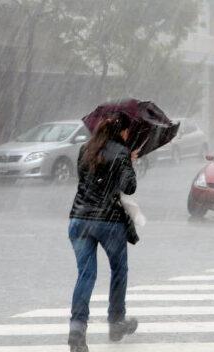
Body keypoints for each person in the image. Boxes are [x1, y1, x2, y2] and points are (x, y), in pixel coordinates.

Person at [68, 112, 139, 352]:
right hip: (109, 221)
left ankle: (77, 329)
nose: (128, 135)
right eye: (128, 131)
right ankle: (116, 321)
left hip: (79, 219)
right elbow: (129, 186)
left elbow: (87, 180)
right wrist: (129, 161)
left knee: (85, 275)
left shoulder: (84, 150)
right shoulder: (121, 153)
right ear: (122, 131)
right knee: (119, 270)